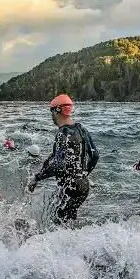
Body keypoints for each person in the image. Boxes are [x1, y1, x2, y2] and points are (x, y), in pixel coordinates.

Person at [28, 94, 100, 222]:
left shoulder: (63, 134)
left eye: (51, 112)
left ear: (57, 111)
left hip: (70, 187)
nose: (51, 116)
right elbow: (95, 156)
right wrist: (83, 174)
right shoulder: (81, 129)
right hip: (83, 186)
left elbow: (59, 166)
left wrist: (37, 178)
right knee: (69, 221)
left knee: (56, 223)